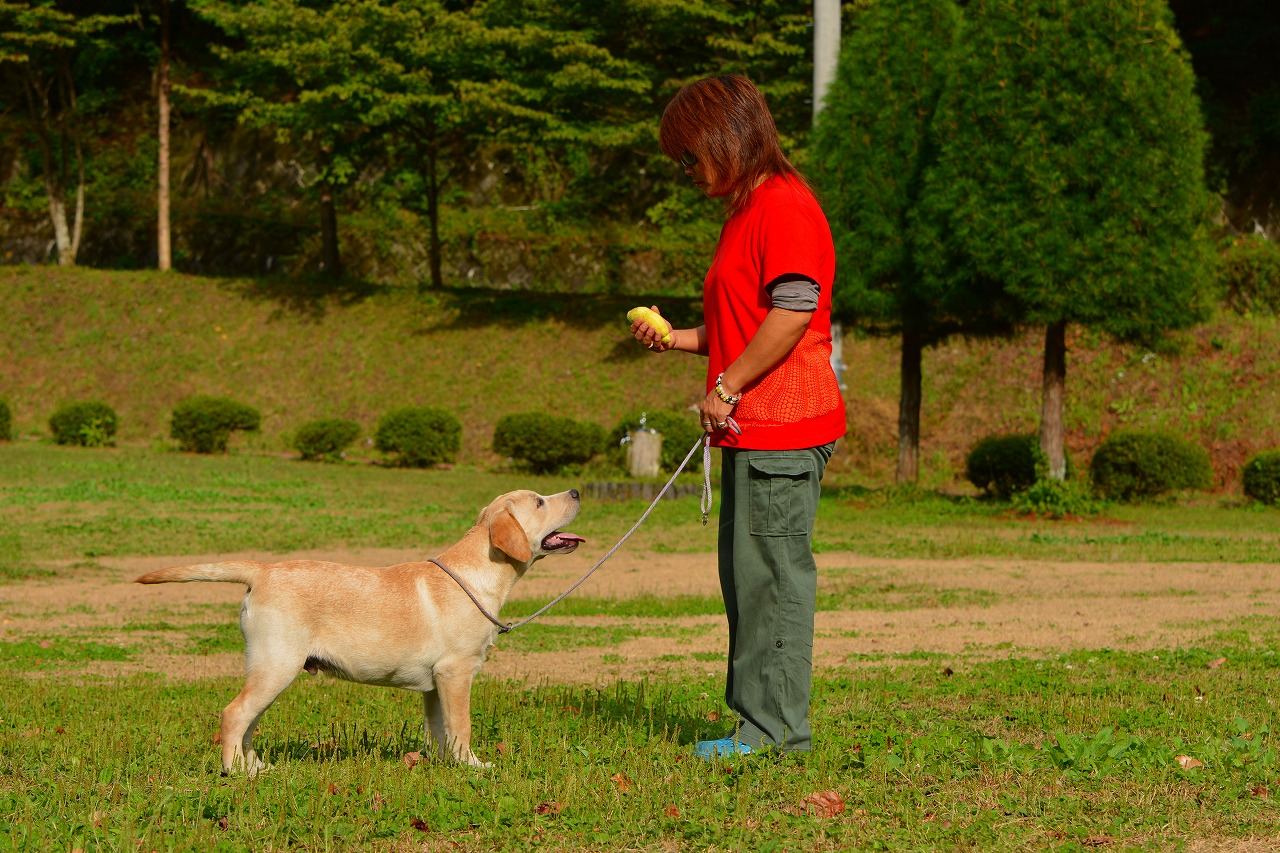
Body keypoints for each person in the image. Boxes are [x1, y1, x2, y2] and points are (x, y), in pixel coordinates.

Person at [630, 75, 846, 759]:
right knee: (748, 579)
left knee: (775, 580)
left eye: (691, 157)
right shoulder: (747, 211)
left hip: (784, 426)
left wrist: (725, 386)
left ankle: (777, 733)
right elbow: (744, 324)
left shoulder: (783, 205)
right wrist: (677, 338)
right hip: (754, 430)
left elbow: (793, 311)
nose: (687, 172)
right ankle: (756, 724)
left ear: (728, 136)